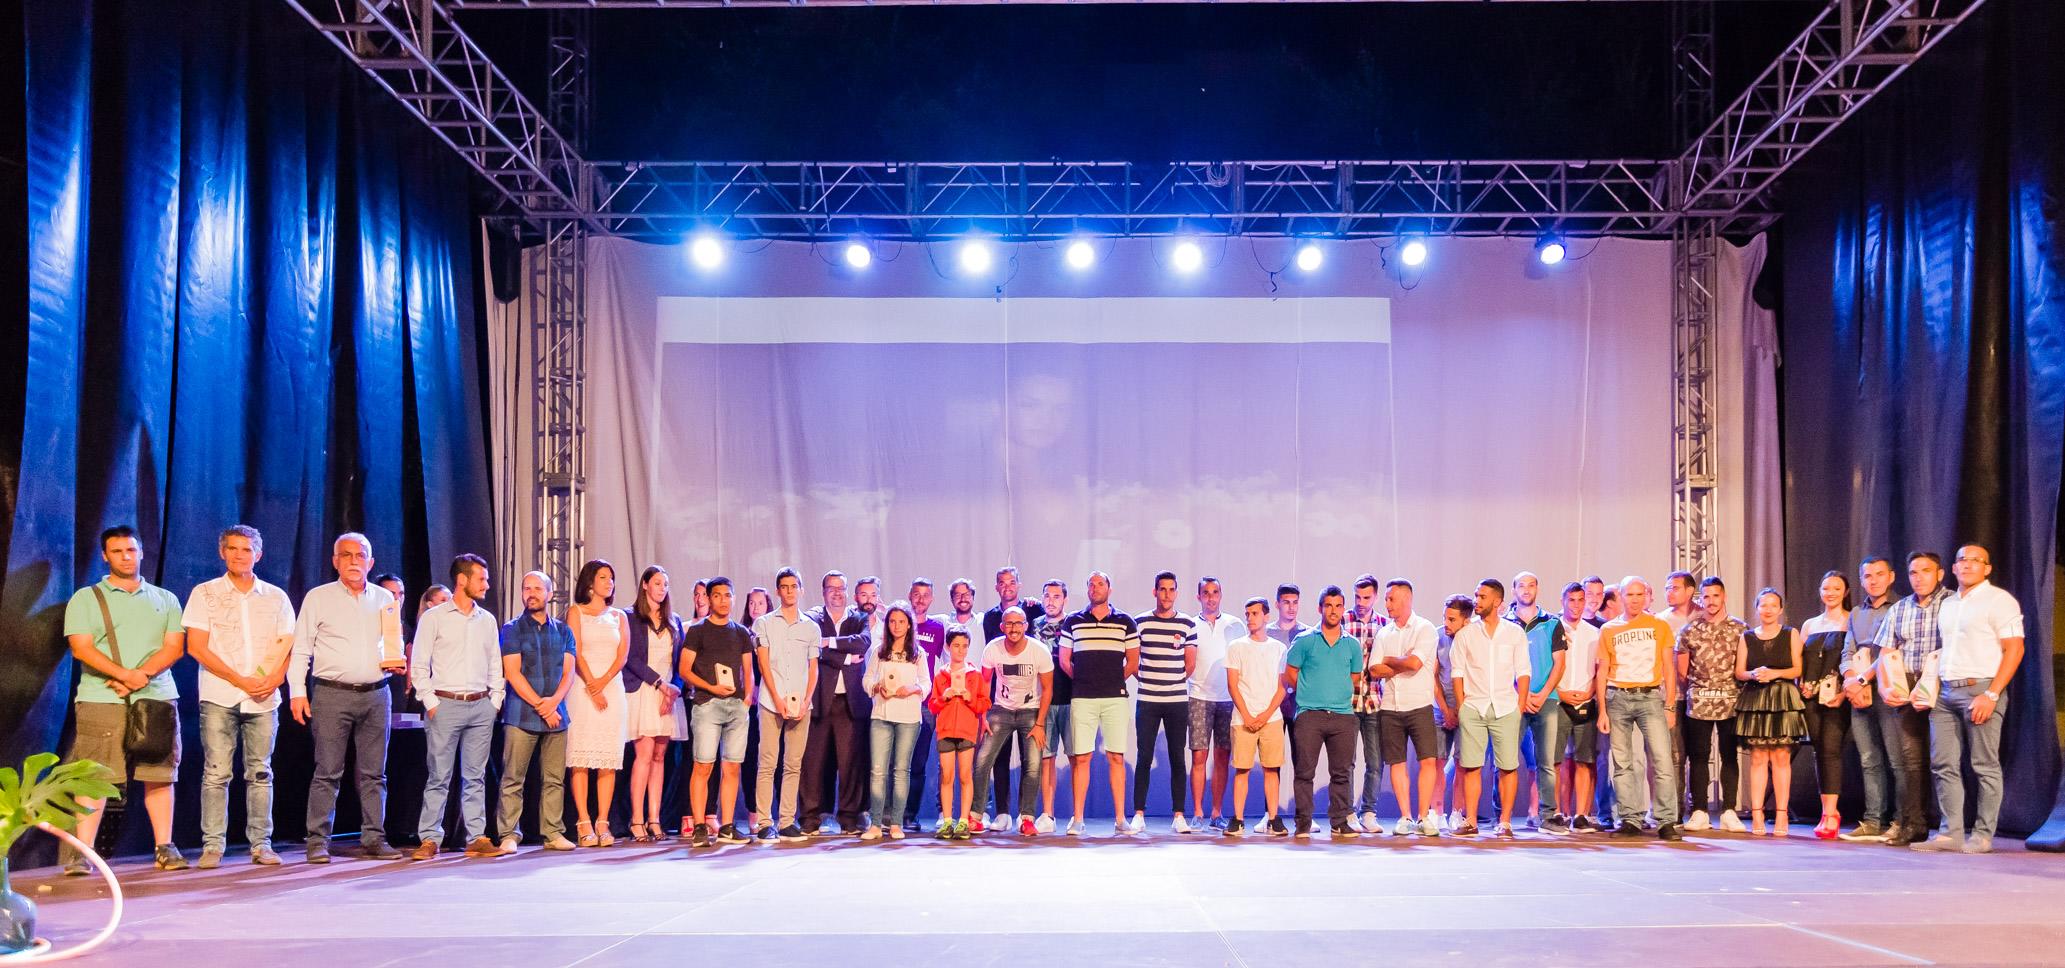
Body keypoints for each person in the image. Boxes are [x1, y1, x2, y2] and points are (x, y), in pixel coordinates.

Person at [60, 526, 188, 873]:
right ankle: (83, 852)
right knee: (95, 776)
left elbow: (174, 647)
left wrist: (139, 676)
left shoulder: (165, 598)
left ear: (141, 552)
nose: (126, 557)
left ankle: (165, 847)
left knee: (159, 773)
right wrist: (124, 676)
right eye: (117, 552)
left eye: (131, 550)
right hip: (101, 699)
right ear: (105, 556)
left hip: (157, 698)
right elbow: (81, 647)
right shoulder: (86, 598)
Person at [183, 525, 295, 869]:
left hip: (263, 699)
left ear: (257, 555)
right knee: (216, 773)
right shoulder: (205, 593)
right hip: (220, 696)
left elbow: (288, 645)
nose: (239, 555)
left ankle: (261, 845)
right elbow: (196, 647)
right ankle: (213, 845)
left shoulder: (276, 596)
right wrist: (239, 680)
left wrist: (275, 679)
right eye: (232, 548)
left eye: (246, 550)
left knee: (261, 773)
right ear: (222, 552)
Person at [291, 532, 407, 863]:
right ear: (335, 561)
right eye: (346, 555)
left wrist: (395, 661)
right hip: (332, 694)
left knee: (374, 774)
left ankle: (374, 838)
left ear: (371, 562)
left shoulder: (384, 598)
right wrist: (297, 692)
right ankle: (318, 841)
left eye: (360, 555)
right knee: (328, 771)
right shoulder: (318, 597)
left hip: (376, 694)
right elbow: (301, 648)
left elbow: (391, 642)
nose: (354, 561)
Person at [1919, 544, 2025, 854]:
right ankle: (1950, 833)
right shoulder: (1949, 603)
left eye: (1976, 560)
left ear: (1987, 568)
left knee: (1983, 765)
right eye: (1962, 559)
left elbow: (2015, 649)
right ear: (1953, 568)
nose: (1967, 564)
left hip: (1981, 689)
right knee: (1942, 763)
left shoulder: (1999, 600)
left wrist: (1991, 694)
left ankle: (1982, 834)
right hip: (1945, 692)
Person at [410, 554, 504, 860]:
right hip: (445, 704)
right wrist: (431, 703)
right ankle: (429, 837)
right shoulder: (434, 618)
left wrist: (495, 701)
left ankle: (476, 836)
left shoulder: (486, 620)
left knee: (475, 776)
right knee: (439, 776)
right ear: (462, 580)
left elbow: (495, 663)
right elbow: (419, 665)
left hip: (480, 705)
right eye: (481, 579)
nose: (487, 585)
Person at [1596, 576, 1683, 841]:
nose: (1634, 600)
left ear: (1646, 596)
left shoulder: (1659, 625)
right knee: (1622, 763)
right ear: (1621, 597)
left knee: (1662, 760)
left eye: (1639, 594)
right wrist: (1602, 710)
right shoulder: (1609, 629)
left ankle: (1666, 821)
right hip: (1617, 697)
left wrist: (1670, 705)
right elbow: (1602, 671)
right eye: (1629, 595)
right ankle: (1630, 819)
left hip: (1650, 697)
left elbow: (1669, 667)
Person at [496, 571, 578, 853]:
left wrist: (553, 702)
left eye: (537, 588)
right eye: (526, 588)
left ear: (549, 594)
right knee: (513, 778)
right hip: (521, 715)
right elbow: (512, 673)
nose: (531, 593)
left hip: (556, 715)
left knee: (554, 779)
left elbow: (569, 673)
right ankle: (509, 833)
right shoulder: (512, 629)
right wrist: (542, 706)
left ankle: (553, 833)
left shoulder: (564, 631)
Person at [1873, 552, 1950, 847]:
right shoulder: (1900, 608)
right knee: (1911, 759)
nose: (1919, 577)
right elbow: (1885, 653)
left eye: (1926, 571)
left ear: (1940, 574)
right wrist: (1885, 687)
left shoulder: (1952, 603)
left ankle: (1951, 826)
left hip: (1942, 686)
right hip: (1907, 685)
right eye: (1914, 572)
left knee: (1944, 759)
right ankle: (1914, 825)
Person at [1062, 571, 1141, 837]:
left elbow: (1133, 661)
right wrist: (1084, 681)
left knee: (1116, 757)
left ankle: (1120, 819)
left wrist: (1112, 680)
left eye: (1100, 583)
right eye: (1091, 584)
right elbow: (1065, 660)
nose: (1095, 588)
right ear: (1087, 589)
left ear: (1110, 588)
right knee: (1081, 758)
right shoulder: (1073, 621)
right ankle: (1078, 819)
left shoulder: (1125, 621)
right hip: (1082, 698)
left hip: (1115, 698)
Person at [680, 576, 757, 847]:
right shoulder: (698, 630)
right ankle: (700, 825)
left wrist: (746, 699)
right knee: (703, 765)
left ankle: (727, 826)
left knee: (732, 766)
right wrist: (710, 687)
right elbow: (684, 670)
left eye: (727, 595)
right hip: (707, 704)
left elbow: (748, 670)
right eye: (717, 595)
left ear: (733, 598)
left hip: (736, 706)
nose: (723, 600)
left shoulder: (741, 632)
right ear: (709, 598)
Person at [1451, 579, 1530, 838]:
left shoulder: (1514, 633)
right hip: (1474, 707)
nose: (1477, 601)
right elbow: (1457, 672)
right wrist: (1462, 706)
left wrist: (1520, 706)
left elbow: (1523, 671)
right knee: (1472, 766)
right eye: (1476, 595)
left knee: (1507, 766)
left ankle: (1505, 822)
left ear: (1497, 601)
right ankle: (1471, 820)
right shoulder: (1466, 634)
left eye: (1483, 596)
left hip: (1506, 707)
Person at [1285, 586, 1363, 838]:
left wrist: (1335, 692)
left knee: (1341, 773)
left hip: (1343, 716)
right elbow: (1291, 673)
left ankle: (1339, 822)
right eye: (1328, 605)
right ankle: (1303, 824)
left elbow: (1354, 676)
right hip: (1310, 715)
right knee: (1304, 772)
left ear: (1343, 609)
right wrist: (1309, 692)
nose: (1333, 611)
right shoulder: (1305, 640)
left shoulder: (1352, 644)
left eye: (1338, 606)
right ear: (1320, 608)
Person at [1839, 556, 1905, 843]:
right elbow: (1847, 652)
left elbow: (1892, 652)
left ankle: (1901, 821)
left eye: (1879, 574)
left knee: (1897, 760)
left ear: (1891, 577)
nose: (1874, 580)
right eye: (1868, 576)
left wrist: (1864, 679)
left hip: (1889, 689)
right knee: (1868, 759)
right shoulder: (1856, 613)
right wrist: (1851, 680)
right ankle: (1872, 821)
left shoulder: (1901, 607)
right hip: (1860, 691)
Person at [1676, 577, 1748, 834]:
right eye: (1706, 596)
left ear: (1724, 596)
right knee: (1698, 756)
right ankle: (1700, 811)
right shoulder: (1689, 630)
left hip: (1731, 700)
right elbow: (1682, 671)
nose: (1711, 601)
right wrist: (1700, 688)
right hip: (1699, 701)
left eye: (1715, 595)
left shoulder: (1740, 629)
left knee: (1729, 754)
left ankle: (1729, 810)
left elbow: (1745, 665)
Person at [1372, 579, 1443, 836]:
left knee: (1428, 760)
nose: (1387, 604)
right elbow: (1374, 669)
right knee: (1397, 762)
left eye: (1391, 599)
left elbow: (1415, 664)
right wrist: (1399, 663)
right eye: (1386, 599)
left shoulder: (1425, 629)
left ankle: (1423, 816)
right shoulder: (1384, 633)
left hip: (1419, 704)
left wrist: (1390, 661)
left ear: (1406, 599)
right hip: (1390, 706)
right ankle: (1405, 816)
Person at [974, 606, 1054, 836]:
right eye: (1009, 623)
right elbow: (984, 683)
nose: (1013, 628)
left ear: (1026, 626)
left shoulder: (1039, 651)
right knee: (982, 761)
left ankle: (1026, 818)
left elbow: (1047, 689)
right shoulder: (993, 648)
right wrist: (983, 716)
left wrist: (1040, 724)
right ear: (1002, 626)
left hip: (1031, 711)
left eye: (1018, 623)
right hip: (1001, 709)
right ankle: (976, 816)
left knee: (1033, 765)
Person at [622, 566, 688, 842]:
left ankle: (654, 818)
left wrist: (673, 690)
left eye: (666, 584)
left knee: (660, 756)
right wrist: (660, 684)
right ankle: (636, 819)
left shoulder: (674, 620)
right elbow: (630, 658)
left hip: (668, 695)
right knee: (645, 755)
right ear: (645, 585)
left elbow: (681, 662)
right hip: (645, 690)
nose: (662, 588)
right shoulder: (630, 617)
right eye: (658, 583)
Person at [803, 571, 872, 835]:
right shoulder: (812, 619)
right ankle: (810, 817)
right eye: (831, 588)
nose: (837, 593)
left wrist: (829, 643)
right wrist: (844, 659)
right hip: (820, 699)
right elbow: (812, 649)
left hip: (850, 702)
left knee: (850, 763)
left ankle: (849, 817)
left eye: (841, 588)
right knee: (813, 763)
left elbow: (862, 643)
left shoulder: (858, 618)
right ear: (823, 592)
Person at [753, 568, 819, 842]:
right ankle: (764, 822)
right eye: (784, 587)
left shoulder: (811, 627)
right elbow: (763, 664)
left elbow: (813, 668)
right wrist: (777, 699)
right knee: (767, 762)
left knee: (793, 764)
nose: (789, 591)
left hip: (801, 705)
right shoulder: (764, 623)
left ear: (801, 590)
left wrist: (805, 701)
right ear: (778, 591)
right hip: (771, 702)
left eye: (794, 586)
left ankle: (787, 821)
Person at [566, 559, 628, 847]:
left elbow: (622, 655)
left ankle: (603, 821)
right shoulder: (576, 612)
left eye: (611, 577)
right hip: (582, 688)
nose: (609, 582)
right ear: (590, 582)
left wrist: (602, 683)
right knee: (580, 759)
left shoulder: (618, 616)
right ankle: (583, 821)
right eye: (603, 577)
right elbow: (575, 651)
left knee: (607, 759)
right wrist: (592, 685)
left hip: (612, 689)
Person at [1735, 588, 1807, 836]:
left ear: (1780, 609)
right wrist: (1754, 674)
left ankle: (1781, 814)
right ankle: (1757, 814)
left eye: (1773, 605)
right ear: (1757, 608)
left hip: (1783, 697)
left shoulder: (1790, 633)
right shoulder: (1747, 637)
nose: (1767, 610)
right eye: (1763, 605)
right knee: (1757, 757)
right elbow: (1739, 672)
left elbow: (1797, 669)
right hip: (1756, 697)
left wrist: (1774, 673)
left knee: (1781, 757)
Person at [1131, 571, 1197, 833]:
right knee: (1144, 756)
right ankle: (1139, 814)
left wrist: (1171, 682)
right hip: (1147, 699)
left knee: (1177, 757)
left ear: (1176, 593)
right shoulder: (1140, 622)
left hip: (1177, 701)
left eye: (1171, 590)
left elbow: (1190, 664)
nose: (1167, 594)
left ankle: (1178, 815)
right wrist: (1150, 681)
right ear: (1155, 592)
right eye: (1162, 589)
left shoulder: (1187, 624)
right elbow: (1134, 661)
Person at [979, 568, 1041, 829]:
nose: (1007, 587)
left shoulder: (1033, 610)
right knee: (999, 757)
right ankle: (1002, 813)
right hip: (1000, 698)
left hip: (1029, 698)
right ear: (996, 587)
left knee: (1030, 761)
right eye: (1002, 583)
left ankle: (1026, 816)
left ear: (1019, 585)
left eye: (1011, 582)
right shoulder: (990, 617)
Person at [1506, 572, 1567, 833]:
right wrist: (1521, 694)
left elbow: (1559, 664)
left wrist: (1541, 695)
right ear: (1513, 590)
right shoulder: (1504, 624)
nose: (1526, 590)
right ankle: (1502, 819)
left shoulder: (1552, 622)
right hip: (1513, 700)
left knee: (1547, 761)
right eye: (1521, 585)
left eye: (1531, 585)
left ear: (1537, 589)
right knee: (1505, 760)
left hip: (1546, 700)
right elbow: (1501, 664)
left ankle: (1548, 816)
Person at [863, 603, 930, 841]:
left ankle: (896, 823)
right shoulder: (879, 651)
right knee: (878, 771)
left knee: (901, 771)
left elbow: (926, 684)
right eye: (892, 621)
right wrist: (876, 687)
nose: (897, 626)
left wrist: (911, 689)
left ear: (909, 624)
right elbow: (867, 679)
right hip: (881, 716)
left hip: (908, 718)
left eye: (901, 621)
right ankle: (875, 823)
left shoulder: (918, 654)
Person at [1225, 597, 1288, 837]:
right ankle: (1238, 819)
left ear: (1266, 616)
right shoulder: (1236, 647)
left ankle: (1273, 819)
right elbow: (1233, 685)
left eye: (1255, 613)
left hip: (1271, 719)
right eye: (1247, 614)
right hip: (1243, 719)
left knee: (1271, 769)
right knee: (1242, 770)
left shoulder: (1279, 648)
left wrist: (1265, 715)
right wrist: (1248, 715)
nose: (1250, 618)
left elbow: (1282, 687)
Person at [1799, 571, 1852, 839]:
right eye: (1826, 588)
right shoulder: (1810, 625)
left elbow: (1855, 658)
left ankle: (1832, 814)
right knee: (1819, 751)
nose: (1830, 593)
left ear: (1845, 592)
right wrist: (1801, 684)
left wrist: (1843, 693)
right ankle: (1825, 812)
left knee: (1831, 751)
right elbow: (1799, 660)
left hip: (1837, 698)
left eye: (1836, 588)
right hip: (1811, 697)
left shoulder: (1850, 620)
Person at [1187, 576, 1242, 832]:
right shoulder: (1190, 625)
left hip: (1227, 698)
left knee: (1222, 757)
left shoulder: (1235, 625)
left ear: (1221, 595)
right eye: (1206, 593)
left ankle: (1216, 813)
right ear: (1198, 596)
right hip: (1199, 696)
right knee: (1199, 755)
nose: (1211, 597)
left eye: (1215, 592)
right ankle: (1198, 812)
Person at [929, 630, 990, 839]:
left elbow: (984, 703)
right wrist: (944, 698)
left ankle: (964, 820)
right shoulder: (940, 675)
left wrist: (969, 698)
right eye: (956, 645)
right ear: (948, 647)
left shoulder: (975, 675)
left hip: (967, 730)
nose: (961, 650)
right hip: (946, 730)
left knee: (965, 775)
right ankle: (947, 821)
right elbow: (932, 706)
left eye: (964, 646)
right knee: (947, 776)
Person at [1553, 582, 1603, 830]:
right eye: (1571, 600)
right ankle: (1558, 812)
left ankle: (1581, 814)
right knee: (1556, 761)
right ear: (1562, 601)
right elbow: (1547, 668)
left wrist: (1590, 692)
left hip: (1587, 702)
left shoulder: (1595, 633)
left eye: (1580, 600)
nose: (1576, 605)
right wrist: (1560, 693)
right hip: (1559, 701)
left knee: (1585, 759)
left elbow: (1600, 669)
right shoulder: (1552, 629)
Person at [901, 579, 948, 832]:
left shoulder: (938, 628)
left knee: (918, 763)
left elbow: (947, 662)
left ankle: (909, 815)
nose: (920, 599)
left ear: (932, 599)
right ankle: (889, 814)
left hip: (926, 705)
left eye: (925, 595)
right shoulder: (898, 623)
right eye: (916, 594)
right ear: (909, 596)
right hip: (898, 703)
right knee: (896, 761)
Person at [1343, 575, 1386, 834]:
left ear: (1375, 597)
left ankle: (1368, 811)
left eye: (1366, 597)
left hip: (1374, 702)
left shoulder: (1384, 625)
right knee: (1347, 762)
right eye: (1357, 597)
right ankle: (1348, 812)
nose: (1361, 602)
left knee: (1375, 761)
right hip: (1347, 702)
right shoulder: (1343, 620)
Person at [1031, 579, 1073, 833]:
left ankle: (1077, 815)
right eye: (1047, 596)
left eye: (1056, 596)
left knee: (1076, 758)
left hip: (1071, 699)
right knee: (1046, 759)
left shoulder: (1074, 623)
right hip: (1042, 701)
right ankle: (1048, 814)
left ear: (1065, 599)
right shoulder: (1033, 624)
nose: (1051, 601)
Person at [1435, 595, 1468, 830]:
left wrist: (1460, 709)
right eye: (1445, 618)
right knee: (1437, 760)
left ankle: (1457, 812)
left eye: (1452, 619)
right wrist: (1446, 710)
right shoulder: (1438, 637)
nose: (1446, 623)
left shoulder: (1474, 638)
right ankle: (1436, 813)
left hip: (1468, 706)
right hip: (1441, 707)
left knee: (1463, 762)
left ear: (1466, 621)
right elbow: (1433, 675)